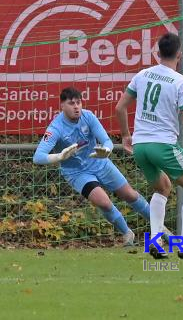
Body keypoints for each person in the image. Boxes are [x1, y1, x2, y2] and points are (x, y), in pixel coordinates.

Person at [115, 32, 183, 260]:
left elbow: (120, 108)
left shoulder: (142, 75)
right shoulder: (182, 82)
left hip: (140, 147)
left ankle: (156, 241)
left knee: (162, 188)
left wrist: (125, 135)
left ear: (157, 53)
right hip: (163, 146)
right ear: (180, 54)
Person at [33, 87, 152, 246]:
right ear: (62, 105)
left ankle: (161, 228)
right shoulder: (56, 128)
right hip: (77, 173)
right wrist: (59, 156)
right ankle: (127, 234)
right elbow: (38, 157)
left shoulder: (88, 117)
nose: (76, 107)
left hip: (100, 163)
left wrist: (107, 151)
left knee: (130, 195)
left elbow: (107, 141)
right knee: (104, 202)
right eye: (71, 103)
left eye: (78, 102)